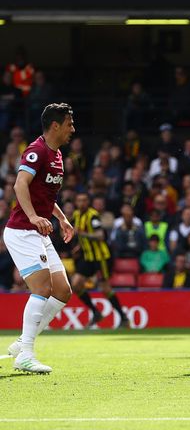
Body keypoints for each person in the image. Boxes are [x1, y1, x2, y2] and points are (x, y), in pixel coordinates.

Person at [4, 103, 76, 373]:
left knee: (62, 291)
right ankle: (26, 354)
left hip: (39, 231)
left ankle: (23, 341)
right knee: (42, 289)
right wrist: (34, 217)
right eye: (69, 123)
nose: (73, 129)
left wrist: (60, 217)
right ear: (55, 125)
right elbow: (20, 184)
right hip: (23, 231)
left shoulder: (56, 154)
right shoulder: (37, 151)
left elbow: (44, 194)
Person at [70, 192, 129, 328]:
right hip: (88, 256)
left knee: (105, 288)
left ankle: (123, 317)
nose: (82, 203)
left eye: (84, 200)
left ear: (88, 202)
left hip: (101, 257)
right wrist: (79, 246)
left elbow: (100, 235)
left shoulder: (93, 216)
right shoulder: (77, 215)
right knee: (76, 284)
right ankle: (95, 312)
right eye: (79, 200)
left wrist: (82, 234)